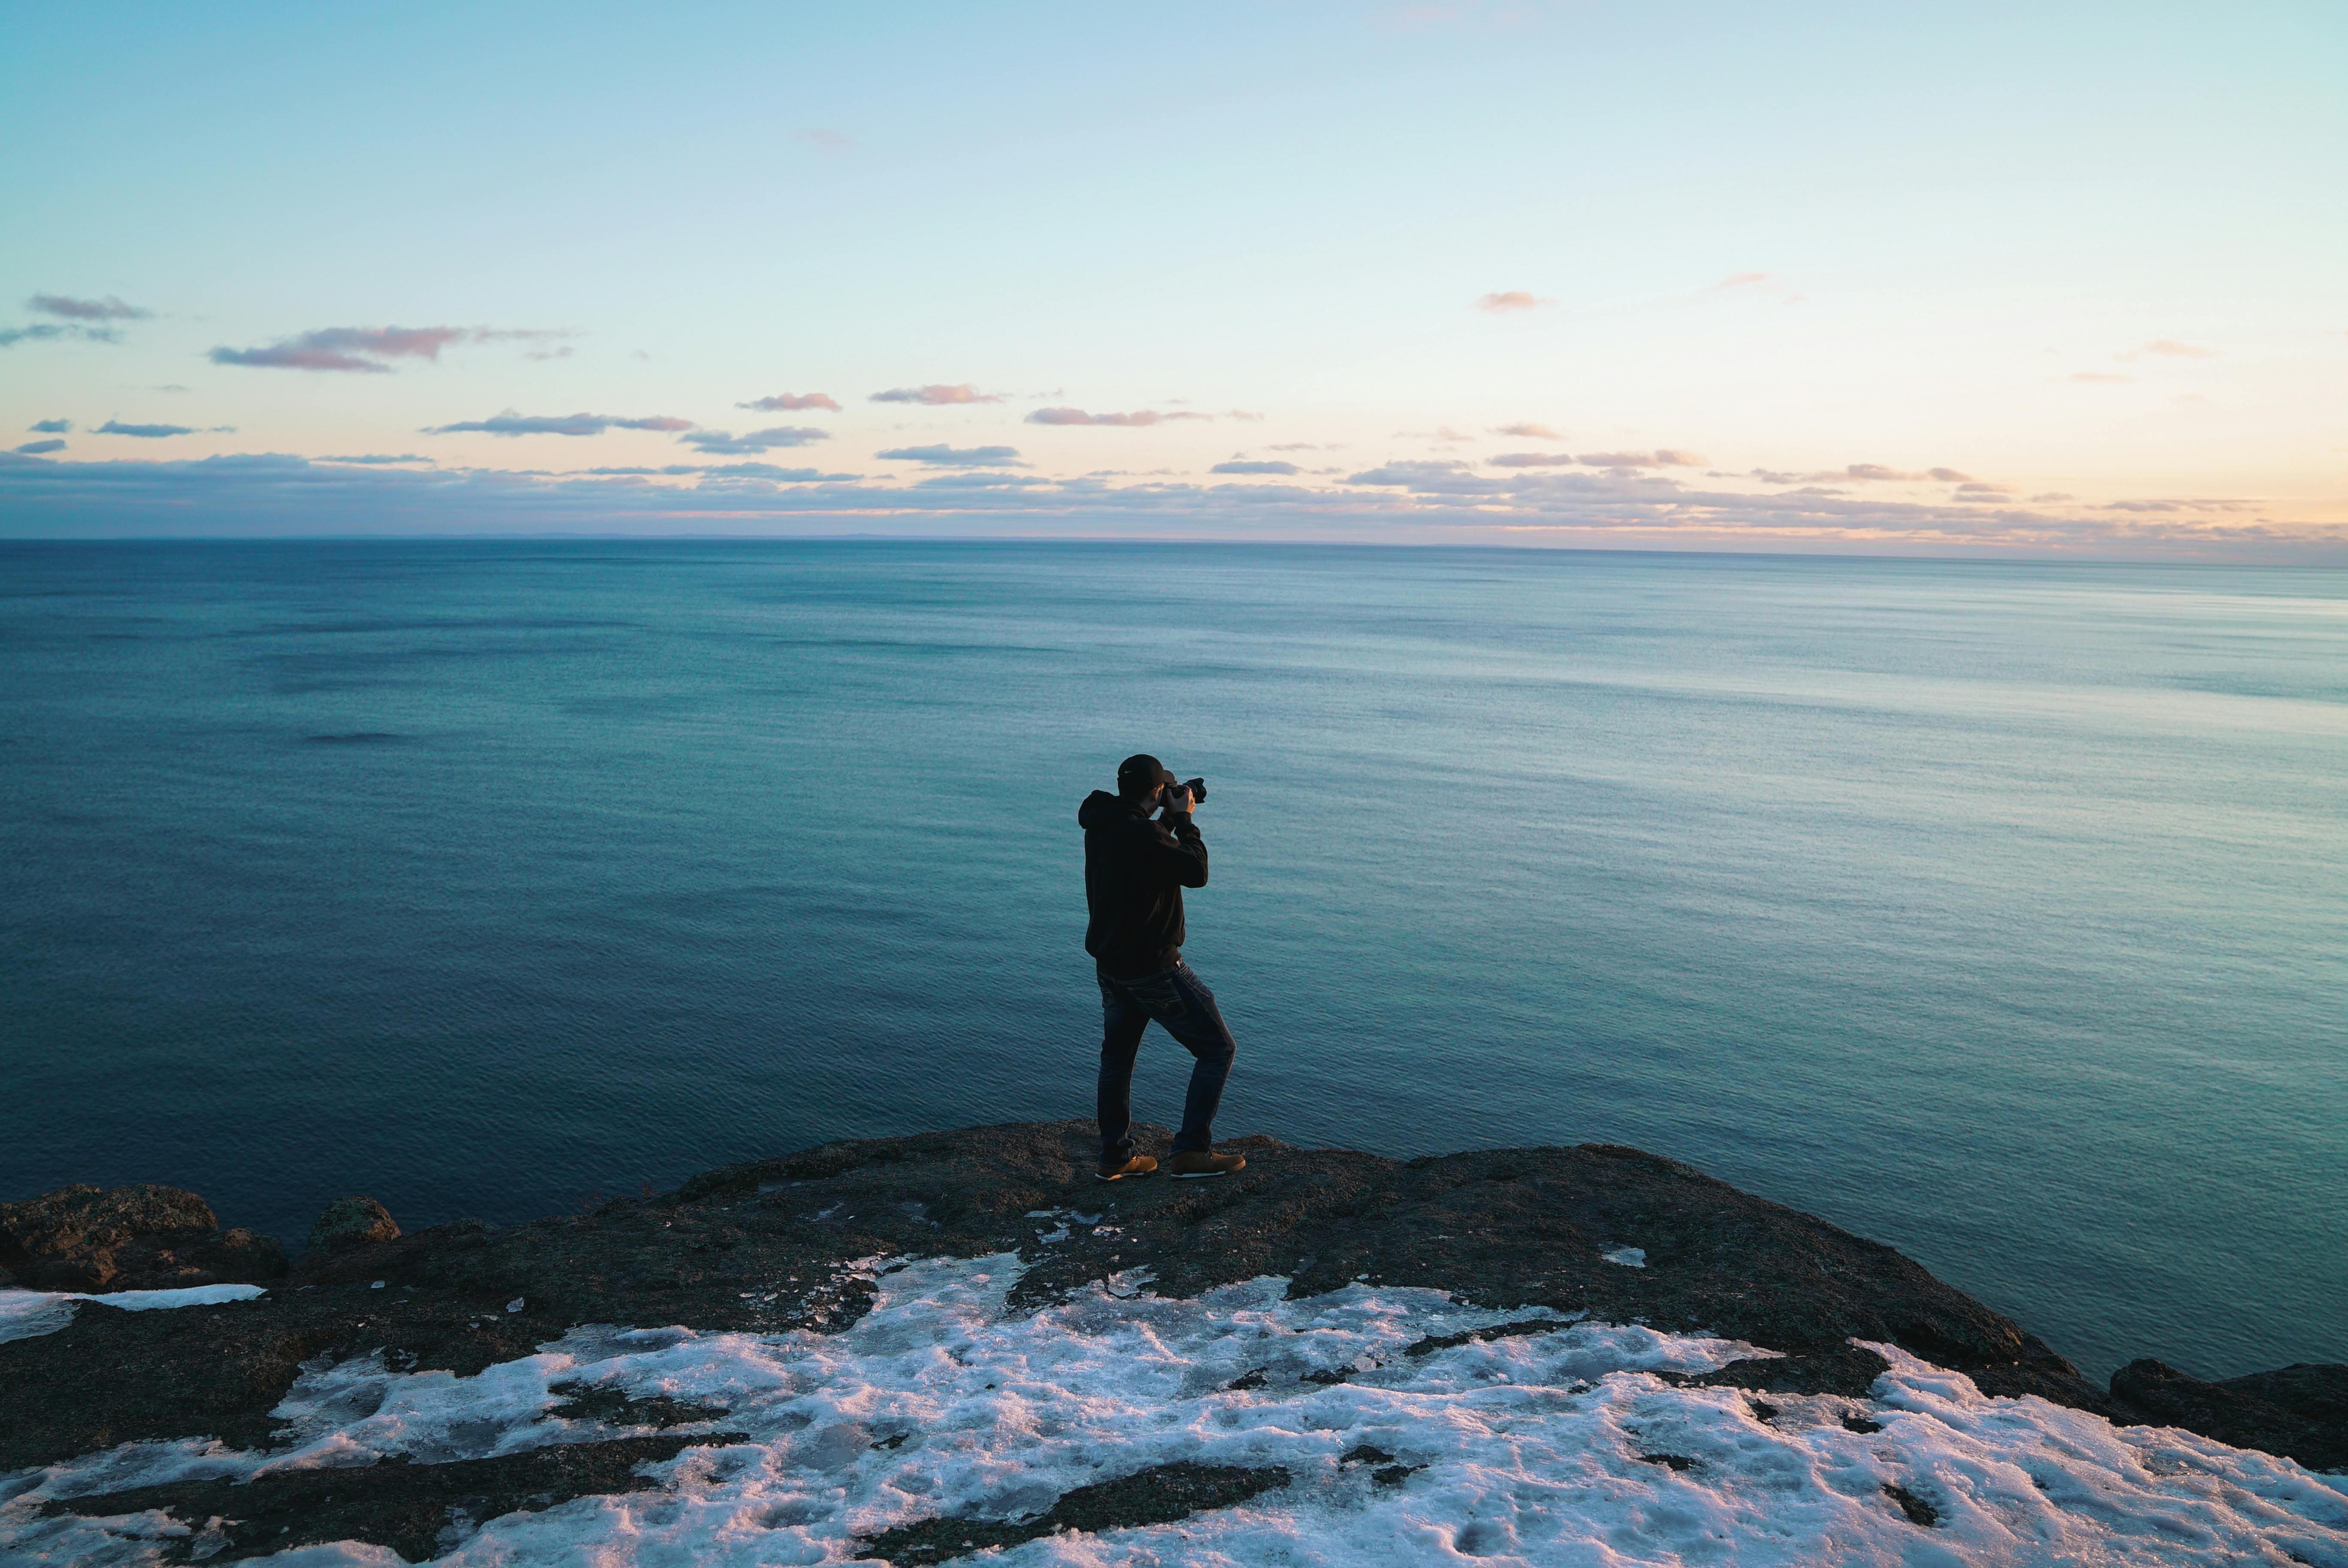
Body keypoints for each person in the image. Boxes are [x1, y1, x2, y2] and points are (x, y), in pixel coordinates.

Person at [1078, 754, 1247, 1181]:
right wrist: (1186, 821)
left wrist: (1166, 819)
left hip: (1111, 967)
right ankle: (1191, 1152)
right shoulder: (1142, 833)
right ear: (1156, 793)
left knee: (1116, 1060)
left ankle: (1115, 1157)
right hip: (1153, 968)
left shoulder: (1103, 824)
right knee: (1217, 1049)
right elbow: (1194, 871)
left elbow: (1145, 848)